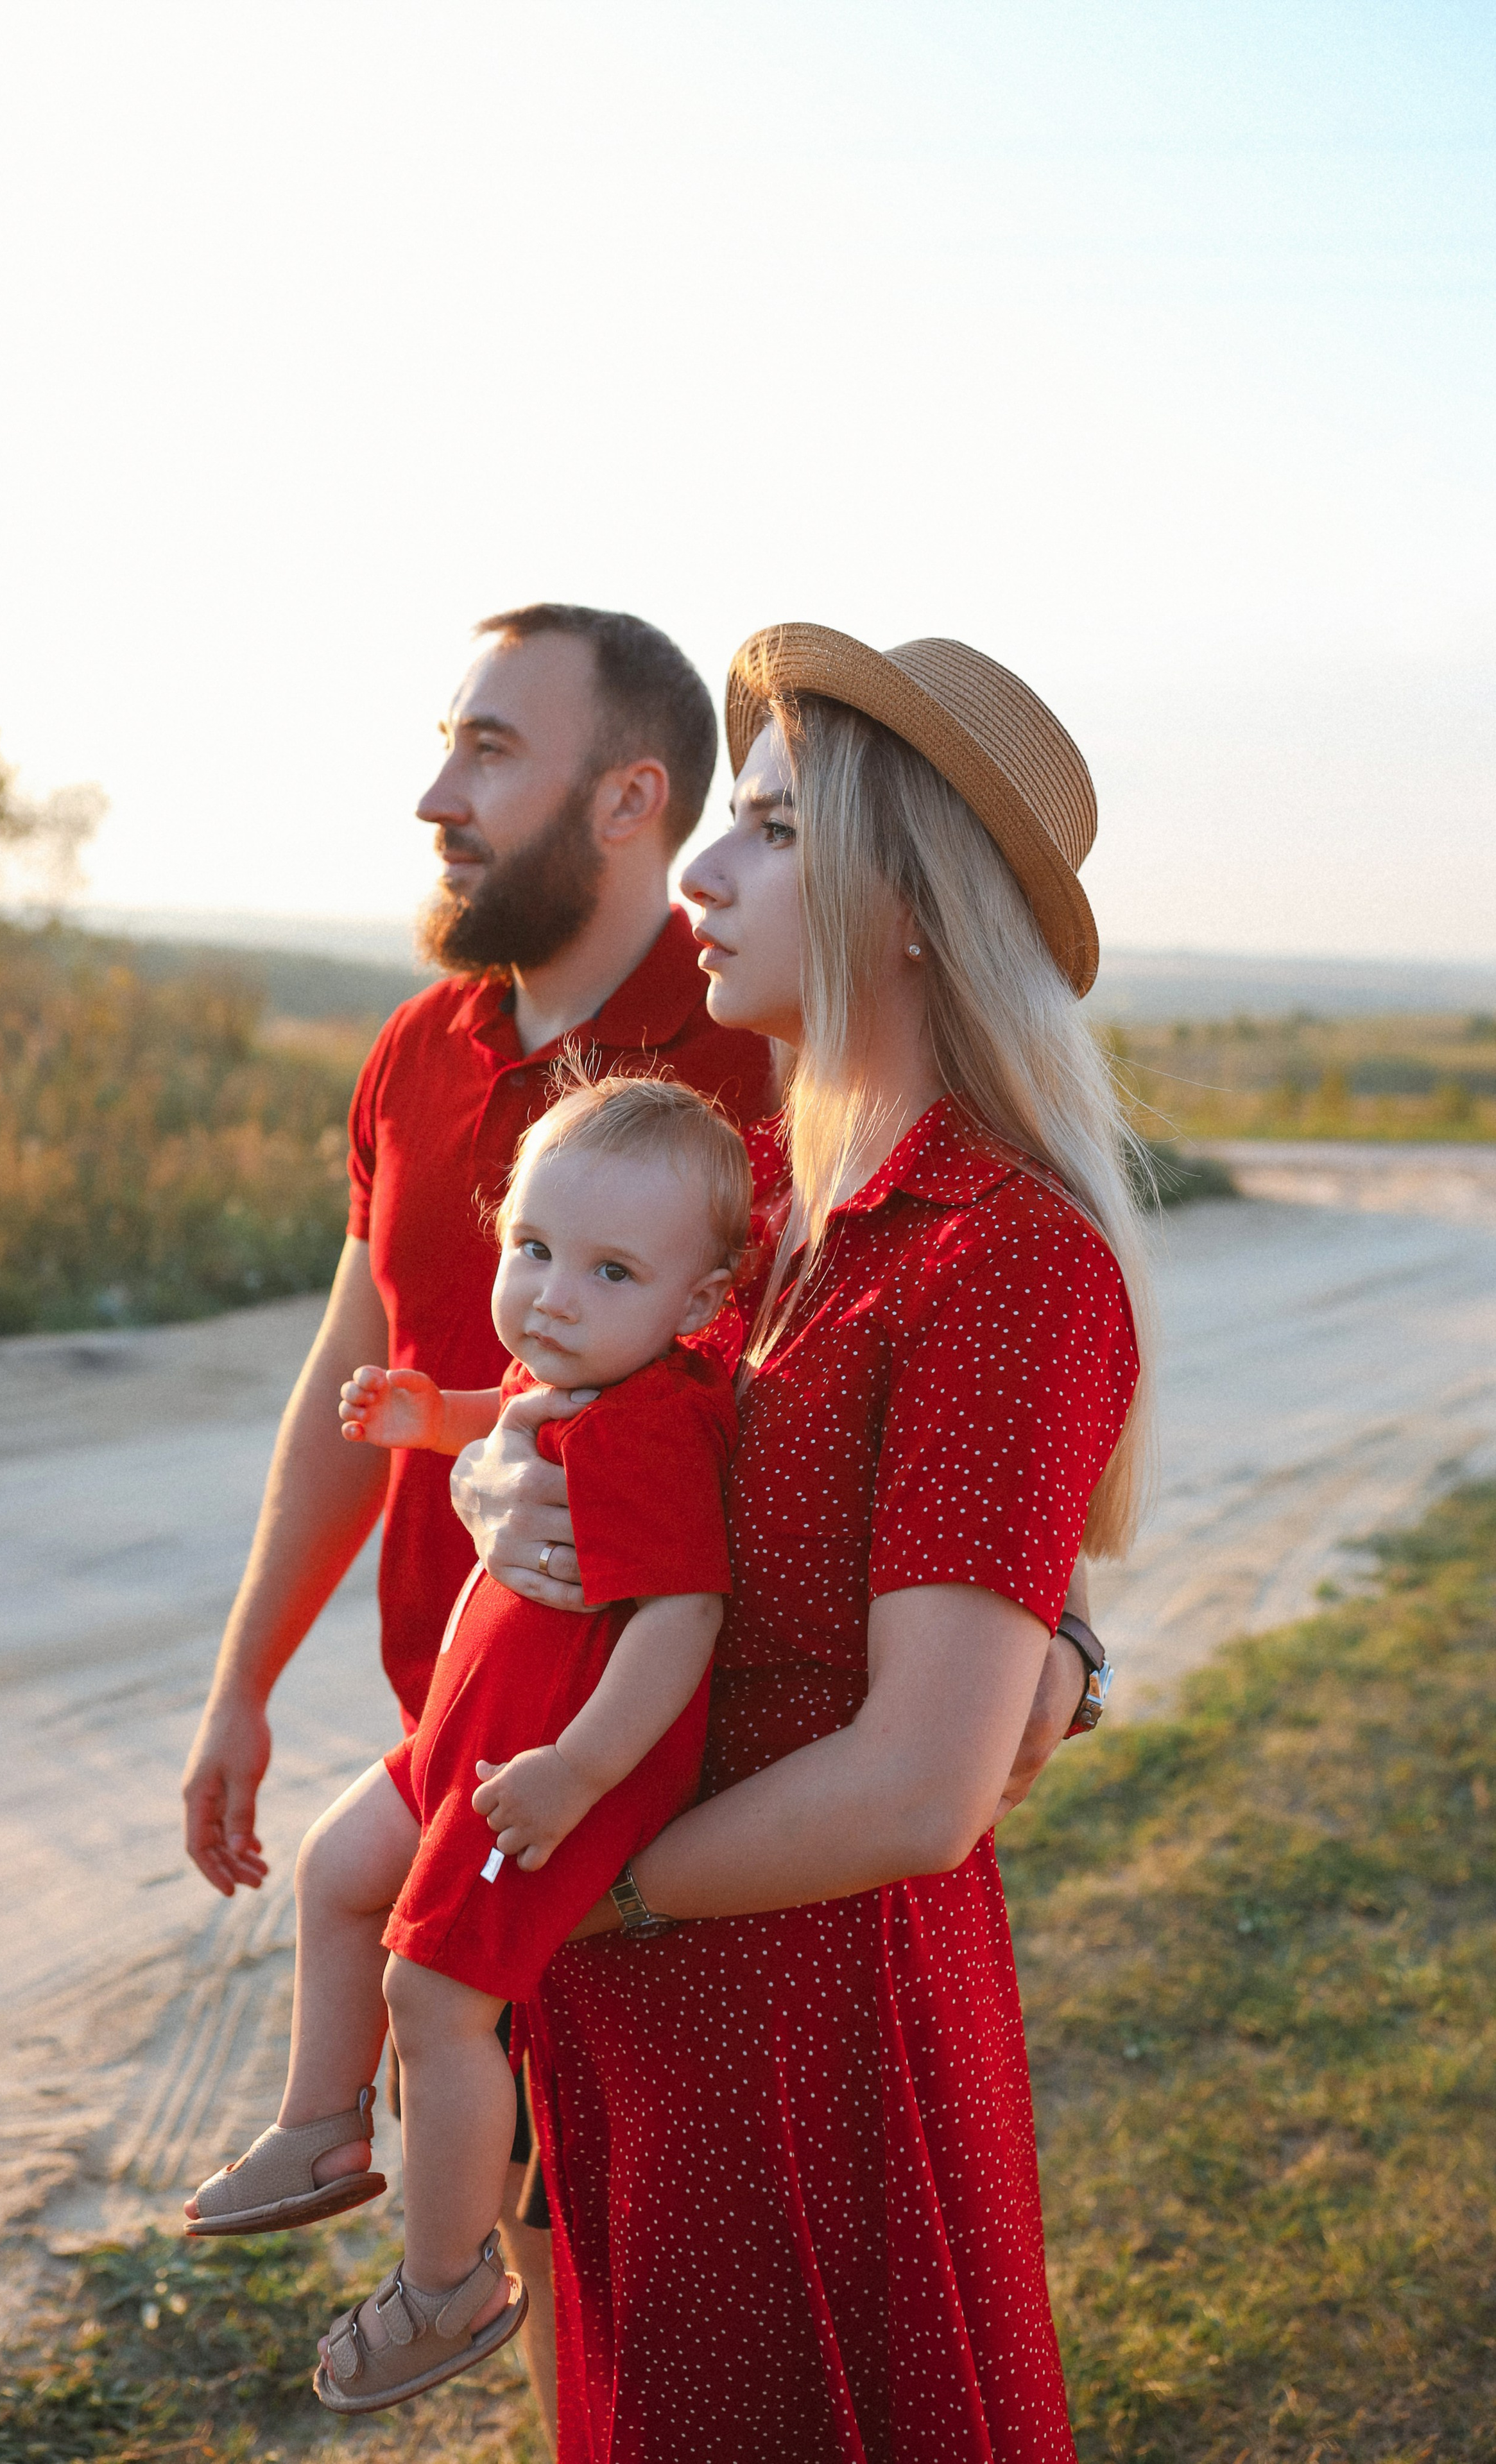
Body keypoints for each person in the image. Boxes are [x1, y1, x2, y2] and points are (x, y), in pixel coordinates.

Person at [446, 624, 1152, 2461]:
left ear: (907, 899)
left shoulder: (1004, 1254)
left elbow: (923, 1786)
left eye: (767, 824)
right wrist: (501, 1482)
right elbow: (595, 1458)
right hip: (656, 2027)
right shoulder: (764, 1213)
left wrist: (601, 1887)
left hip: (809, 2043)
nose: (700, 867)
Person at [178, 605, 775, 2436]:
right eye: (449, 742)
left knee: (668, 2296)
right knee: (519, 2238)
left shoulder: (764, 1044)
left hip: (664, 1787)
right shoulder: (415, 1056)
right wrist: (245, 1681)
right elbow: (354, 1385)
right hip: (464, 1730)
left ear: (630, 799)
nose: (437, 795)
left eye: (491, 751)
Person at [183, 1075, 750, 2415]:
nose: (552, 1292)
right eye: (533, 1249)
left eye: (609, 1270)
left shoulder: (655, 1426)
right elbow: (492, 1407)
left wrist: (581, 1774)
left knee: (436, 2002)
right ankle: (320, 2130)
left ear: (697, 1306)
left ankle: (446, 2285)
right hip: (467, 1743)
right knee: (332, 1869)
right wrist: (418, 1415)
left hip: (545, 1773)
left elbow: (683, 1618)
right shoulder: (571, 1370)